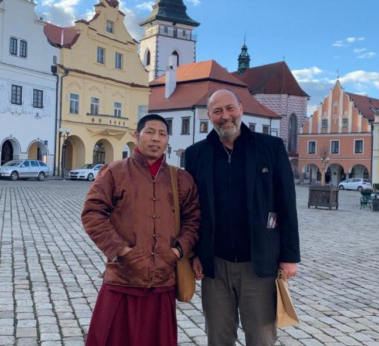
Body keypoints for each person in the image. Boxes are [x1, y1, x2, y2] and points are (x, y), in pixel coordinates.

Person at [185, 89, 300, 346]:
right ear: (209, 116)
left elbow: (286, 204)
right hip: (215, 265)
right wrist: (194, 254)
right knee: (218, 337)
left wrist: (289, 256)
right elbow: (190, 210)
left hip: (259, 264)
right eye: (217, 111)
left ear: (241, 109)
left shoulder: (270, 147)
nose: (225, 116)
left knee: (261, 337)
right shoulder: (195, 155)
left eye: (230, 108)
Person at [82, 114, 201, 346]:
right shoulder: (115, 172)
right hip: (123, 278)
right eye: (150, 132)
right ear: (137, 136)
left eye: (162, 134)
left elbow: (194, 219)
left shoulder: (181, 179)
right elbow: (92, 212)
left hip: (163, 279)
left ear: (167, 140)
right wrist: (121, 250)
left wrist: (178, 250)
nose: (156, 139)